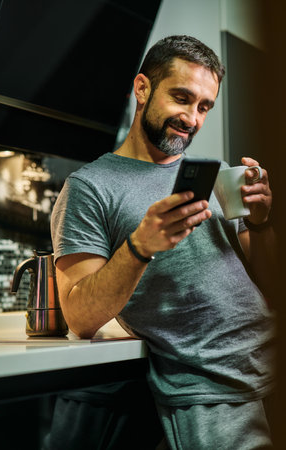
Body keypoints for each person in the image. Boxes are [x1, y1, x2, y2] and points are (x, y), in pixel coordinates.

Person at [51, 35, 276, 449]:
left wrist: (261, 225)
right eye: (182, 98)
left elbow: (264, 278)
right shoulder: (89, 187)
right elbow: (80, 317)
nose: (192, 118)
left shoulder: (216, 175)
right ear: (142, 88)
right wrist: (140, 246)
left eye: (204, 106)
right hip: (212, 387)